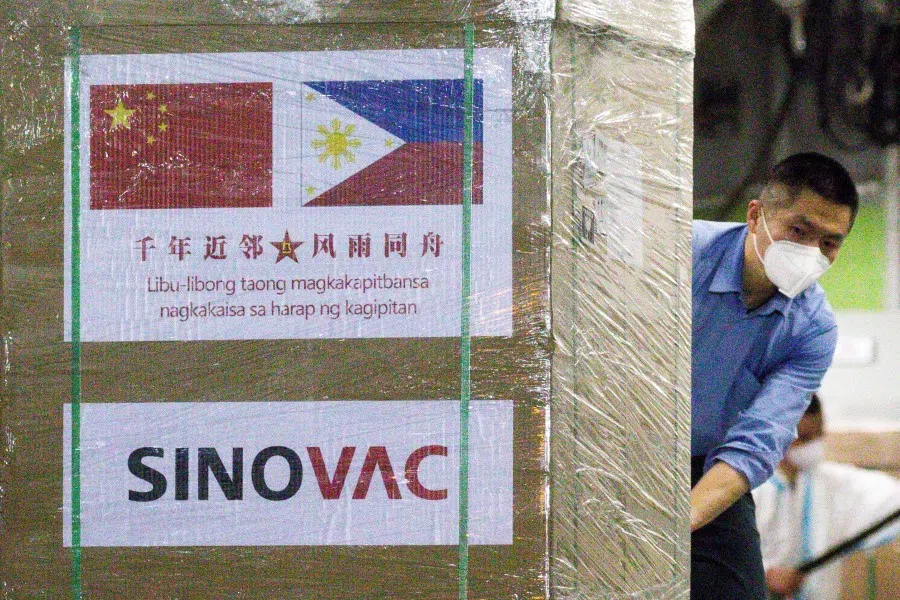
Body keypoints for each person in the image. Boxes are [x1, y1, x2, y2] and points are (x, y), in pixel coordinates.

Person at [691, 152, 858, 599]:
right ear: (754, 216)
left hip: (708, 469)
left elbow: (756, 442)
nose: (811, 253)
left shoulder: (813, 329)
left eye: (829, 243)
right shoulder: (676, 258)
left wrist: (677, 522)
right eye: (798, 231)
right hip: (618, 450)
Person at [754, 393, 900, 600]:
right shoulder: (750, 491)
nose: (814, 445)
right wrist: (766, 574)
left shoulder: (828, 483)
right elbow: (724, 552)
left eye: (819, 434)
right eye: (804, 438)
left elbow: (888, 495)